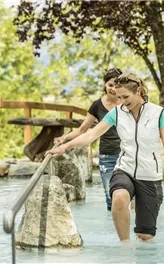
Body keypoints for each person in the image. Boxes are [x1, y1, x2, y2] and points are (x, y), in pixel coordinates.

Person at [46, 72, 164, 242]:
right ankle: (125, 249)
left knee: (145, 236)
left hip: (150, 176)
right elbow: (91, 135)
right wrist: (64, 147)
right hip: (124, 169)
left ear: (139, 91)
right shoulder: (117, 113)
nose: (122, 102)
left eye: (126, 97)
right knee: (119, 196)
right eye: (119, 97)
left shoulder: (158, 113)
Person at [54, 68, 123, 211]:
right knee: (110, 197)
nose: (113, 89)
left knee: (129, 196)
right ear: (105, 85)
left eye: (117, 85)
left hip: (127, 154)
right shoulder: (97, 105)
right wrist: (64, 139)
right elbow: (82, 130)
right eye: (110, 85)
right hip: (107, 155)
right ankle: (113, 230)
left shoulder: (127, 102)